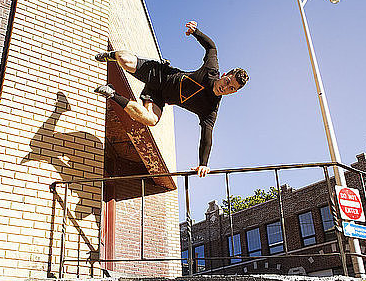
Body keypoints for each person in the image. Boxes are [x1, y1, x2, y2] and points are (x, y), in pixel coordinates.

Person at [93, 21, 249, 177]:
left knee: (151, 120)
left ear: (233, 93)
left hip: (159, 96)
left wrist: (203, 164)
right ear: (224, 76)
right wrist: (196, 32)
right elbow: (212, 47)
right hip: (162, 75)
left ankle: (112, 94)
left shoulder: (210, 109)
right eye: (227, 81)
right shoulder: (211, 69)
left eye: (231, 88)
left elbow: (206, 137)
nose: (226, 87)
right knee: (124, 60)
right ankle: (110, 56)